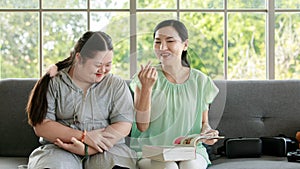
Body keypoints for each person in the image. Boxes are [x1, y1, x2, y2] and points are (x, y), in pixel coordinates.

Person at [26, 31, 137, 169]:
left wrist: (89, 149)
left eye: (108, 64)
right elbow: (42, 126)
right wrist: (83, 137)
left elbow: (123, 124)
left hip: (107, 149)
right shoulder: (55, 82)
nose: (103, 70)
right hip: (60, 149)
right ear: (79, 58)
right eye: (98, 64)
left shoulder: (115, 85)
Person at [129, 19, 220, 169]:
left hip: (191, 151)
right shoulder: (144, 78)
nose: (162, 47)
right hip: (151, 152)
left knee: (191, 166)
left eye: (170, 41)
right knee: (169, 167)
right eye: (157, 42)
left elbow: (204, 123)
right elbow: (142, 126)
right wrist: (146, 88)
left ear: (185, 45)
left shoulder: (201, 81)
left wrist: (207, 133)